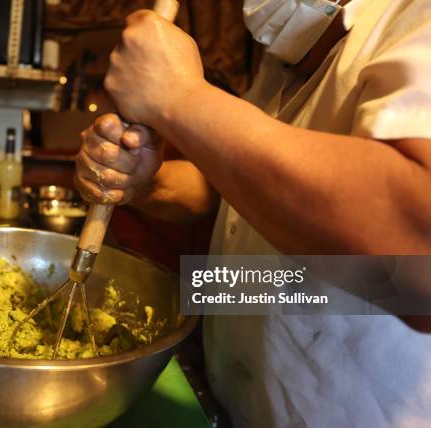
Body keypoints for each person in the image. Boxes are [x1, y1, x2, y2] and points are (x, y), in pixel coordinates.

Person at [74, 0, 431, 426]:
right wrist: (143, 182)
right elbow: (240, 193)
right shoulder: (288, 56)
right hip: (235, 398)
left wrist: (181, 97)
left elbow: (417, 250)